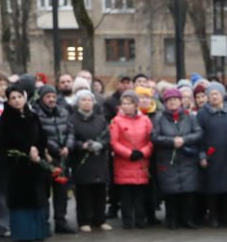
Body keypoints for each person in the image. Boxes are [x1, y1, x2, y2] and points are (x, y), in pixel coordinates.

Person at [0, 85, 49, 242]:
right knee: (22, 199)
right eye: (13, 98)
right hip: (17, 164)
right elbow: (9, 140)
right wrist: (27, 150)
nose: (17, 101)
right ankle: (23, 232)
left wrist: (37, 150)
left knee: (37, 197)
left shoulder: (32, 116)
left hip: (35, 163)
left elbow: (41, 136)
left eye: (19, 97)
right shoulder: (6, 119)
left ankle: (38, 231)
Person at [152, 87, 203, 229]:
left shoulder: (190, 116)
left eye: (175, 99)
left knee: (188, 191)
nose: (173, 102)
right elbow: (154, 137)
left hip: (187, 160)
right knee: (171, 192)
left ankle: (188, 219)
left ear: (181, 101)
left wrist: (184, 140)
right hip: (168, 160)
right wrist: (171, 141)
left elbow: (198, 133)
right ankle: (172, 219)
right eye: (169, 100)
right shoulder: (159, 118)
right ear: (165, 102)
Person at [196, 81, 227, 227]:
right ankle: (213, 216)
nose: (214, 97)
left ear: (222, 95)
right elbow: (199, 136)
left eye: (216, 94)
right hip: (211, 156)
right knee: (212, 188)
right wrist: (202, 154)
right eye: (211, 94)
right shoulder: (203, 114)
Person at [32, 84, 75, 234]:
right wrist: (55, 148)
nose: (51, 100)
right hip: (47, 158)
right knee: (44, 192)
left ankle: (61, 222)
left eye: (53, 97)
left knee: (62, 192)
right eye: (48, 97)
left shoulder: (63, 112)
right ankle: (44, 223)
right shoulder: (36, 114)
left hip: (63, 157)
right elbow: (40, 134)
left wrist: (67, 147)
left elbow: (70, 130)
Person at [109, 90, 153, 230]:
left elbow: (151, 140)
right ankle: (127, 221)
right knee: (126, 195)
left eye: (130, 103)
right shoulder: (116, 121)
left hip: (141, 163)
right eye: (124, 104)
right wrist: (129, 154)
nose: (126, 106)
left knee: (140, 194)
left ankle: (140, 219)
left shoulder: (145, 120)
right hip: (124, 163)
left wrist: (143, 152)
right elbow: (114, 142)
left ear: (136, 105)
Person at [69, 89, 111, 232]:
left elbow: (106, 136)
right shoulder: (72, 120)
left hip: (98, 159)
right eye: (83, 100)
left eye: (89, 100)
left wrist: (101, 144)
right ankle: (84, 220)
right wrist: (82, 146)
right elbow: (71, 139)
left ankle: (100, 219)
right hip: (82, 161)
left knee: (100, 191)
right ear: (78, 103)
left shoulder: (100, 119)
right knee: (83, 192)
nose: (87, 103)